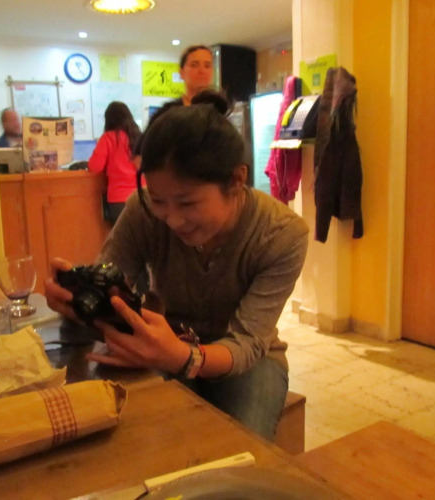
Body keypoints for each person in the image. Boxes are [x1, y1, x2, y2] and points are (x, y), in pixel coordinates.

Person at [45, 92, 309, 440]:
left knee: (241, 450)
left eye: (187, 203)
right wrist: (79, 298)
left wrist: (183, 358)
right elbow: (113, 287)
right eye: (159, 201)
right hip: (161, 343)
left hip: (246, 361)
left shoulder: (282, 234)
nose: (171, 219)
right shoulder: (141, 211)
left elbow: (247, 343)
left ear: (236, 179)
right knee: (134, 438)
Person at [88, 102, 141, 225]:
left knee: (123, 236)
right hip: (142, 196)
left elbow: (95, 167)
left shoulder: (108, 138)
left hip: (119, 199)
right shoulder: (140, 137)